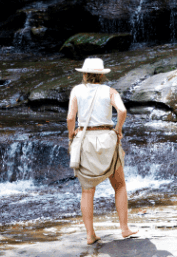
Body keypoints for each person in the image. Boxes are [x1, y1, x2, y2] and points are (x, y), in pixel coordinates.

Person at [67, 57, 138, 245]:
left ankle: (90, 235)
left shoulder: (76, 91)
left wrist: (70, 136)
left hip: (85, 139)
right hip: (107, 138)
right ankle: (124, 228)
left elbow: (69, 118)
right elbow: (122, 111)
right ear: (101, 75)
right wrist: (118, 129)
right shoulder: (110, 91)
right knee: (120, 185)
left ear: (84, 74)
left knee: (87, 191)